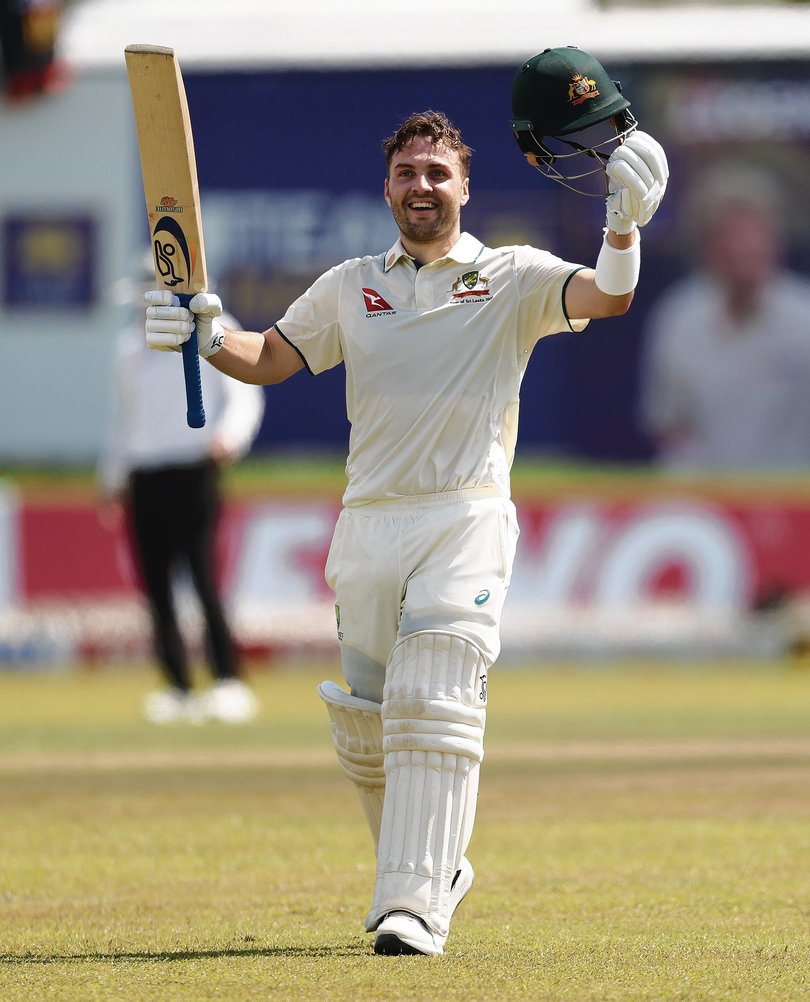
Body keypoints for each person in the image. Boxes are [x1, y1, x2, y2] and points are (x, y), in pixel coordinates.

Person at [140, 52, 667, 954]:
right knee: (369, 726)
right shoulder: (351, 285)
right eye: (405, 173)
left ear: (466, 183)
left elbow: (610, 297)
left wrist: (623, 226)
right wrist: (203, 331)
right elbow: (267, 356)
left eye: (437, 172)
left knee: (436, 695)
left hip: (464, 514)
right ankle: (432, 868)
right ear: (387, 185)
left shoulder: (514, 275)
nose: (420, 186)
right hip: (369, 520)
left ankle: (412, 908)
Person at [98, 260, 265, 724]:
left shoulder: (209, 326)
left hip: (196, 467)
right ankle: (177, 687)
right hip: (145, 475)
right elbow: (124, 422)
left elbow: (244, 394)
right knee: (155, 587)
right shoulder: (129, 348)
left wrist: (230, 437)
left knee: (203, 578)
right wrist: (111, 480)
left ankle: (228, 681)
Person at [639, 162, 810, 471]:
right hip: (706, 502)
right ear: (707, 245)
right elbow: (669, 427)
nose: (747, 245)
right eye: (733, 233)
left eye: (757, 232)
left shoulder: (804, 318)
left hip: (792, 501)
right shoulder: (679, 319)